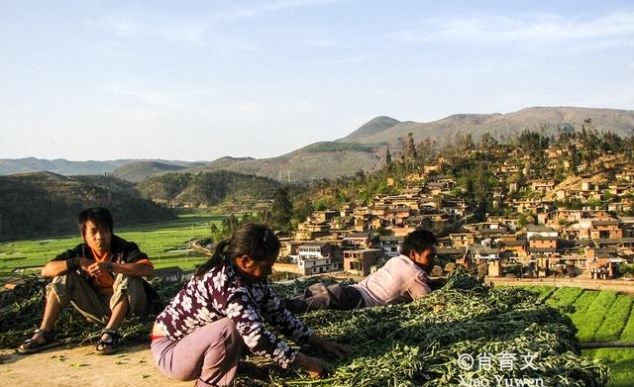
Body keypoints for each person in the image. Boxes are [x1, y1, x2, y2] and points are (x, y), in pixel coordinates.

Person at [151, 223, 347, 386]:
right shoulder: (227, 285)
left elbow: (278, 315)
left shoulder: (252, 279)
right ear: (245, 261)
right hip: (171, 351)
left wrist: (319, 342)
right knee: (229, 329)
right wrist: (307, 363)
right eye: (266, 266)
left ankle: (228, 365)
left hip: (194, 345)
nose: (270, 272)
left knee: (245, 325)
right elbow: (257, 339)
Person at [18, 207, 156, 355]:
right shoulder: (81, 252)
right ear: (84, 235)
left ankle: (111, 332)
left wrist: (112, 266)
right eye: (94, 232)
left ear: (111, 232)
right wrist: (76, 262)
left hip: (130, 308)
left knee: (128, 277)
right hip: (97, 309)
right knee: (63, 276)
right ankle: (45, 332)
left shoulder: (125, 249)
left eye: (104, 230)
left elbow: (147, 270)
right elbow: (46, 270)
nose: (99, 236)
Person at [284, 228, 438, 313]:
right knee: (302, 307)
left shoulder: (397, 260)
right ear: (413, 254)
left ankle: (277, 305)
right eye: (429, 256)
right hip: (356, 301)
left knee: (311, 295)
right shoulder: (415, 274)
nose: (433, 261)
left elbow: (418, 282)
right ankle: (274, 309)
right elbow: (428, 300)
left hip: (349, 291)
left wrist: (435, 281)